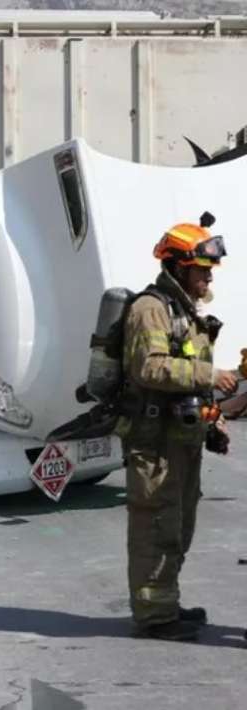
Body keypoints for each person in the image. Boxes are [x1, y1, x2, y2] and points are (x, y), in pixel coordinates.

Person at [119, 218, 240, 641]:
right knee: (156, 527)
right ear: (177, 267)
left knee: (180, 527)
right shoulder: (149, 309)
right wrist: (210, 374)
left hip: (182, 441)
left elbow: (187, 383)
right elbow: (148, 367)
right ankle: (154, 617)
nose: (208, 277)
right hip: (155, 445)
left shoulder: (185, 312)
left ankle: (166, 601)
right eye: (201, 269)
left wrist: (214, 420)